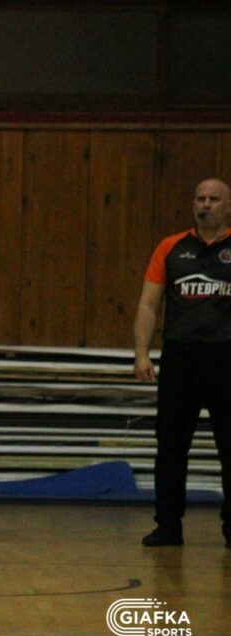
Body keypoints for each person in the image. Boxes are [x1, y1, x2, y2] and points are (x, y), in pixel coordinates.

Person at [134, 178, 231, 550]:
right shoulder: (170, 247)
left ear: (227, 206)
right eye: (200, 198)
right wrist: (142, 353)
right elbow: (148, 304)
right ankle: (168, 526)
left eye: (214, 199)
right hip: (180, 358)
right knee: (171, 447)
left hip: (225, 359)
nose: (205, 205)